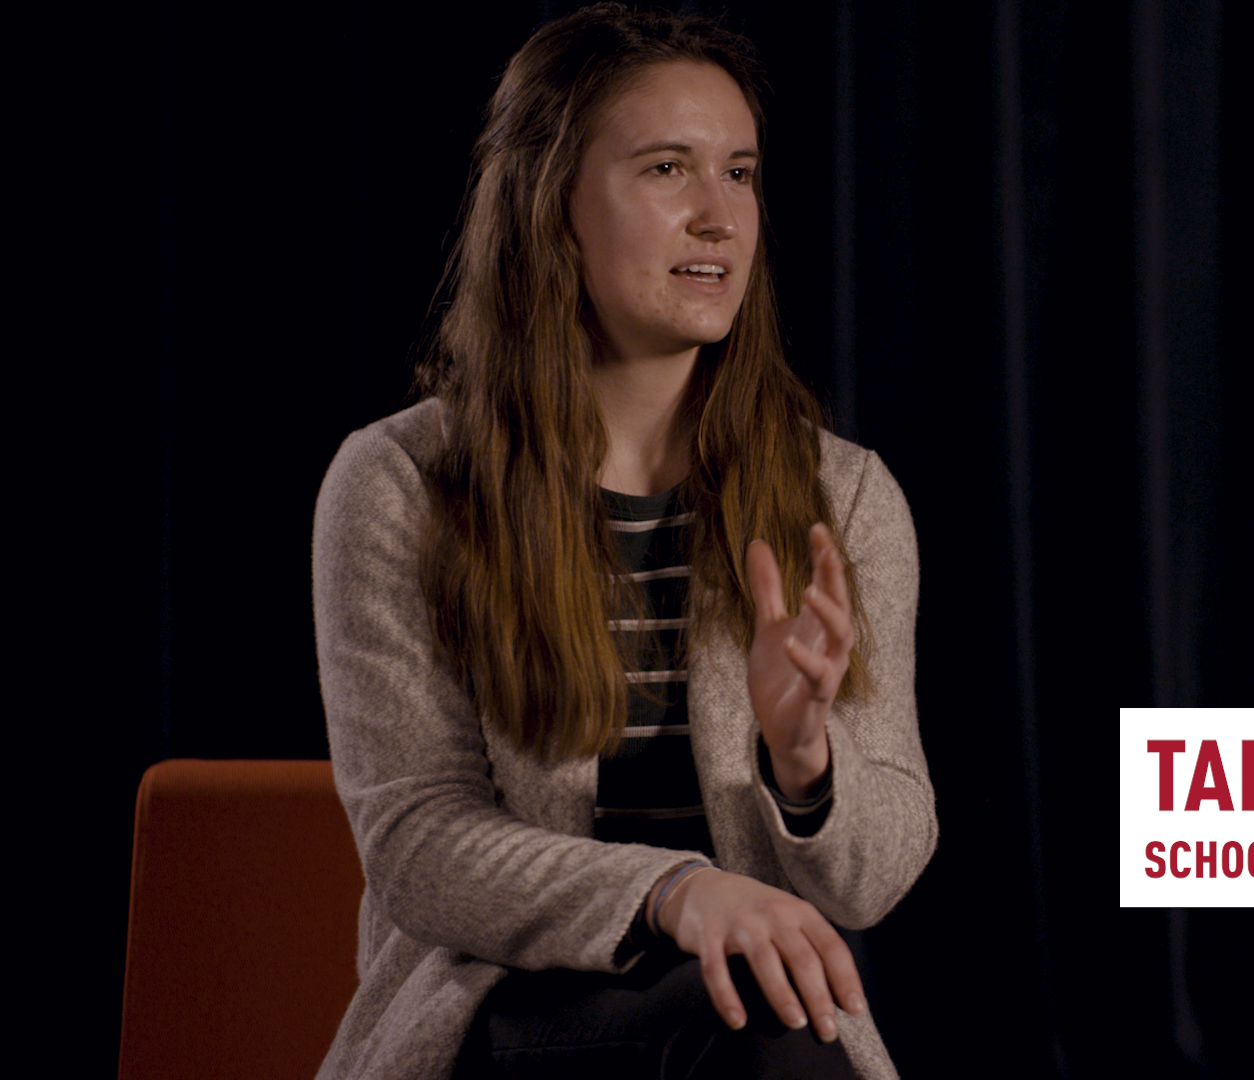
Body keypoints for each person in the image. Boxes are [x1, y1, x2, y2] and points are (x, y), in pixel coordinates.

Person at [310, 6, 936, 1078]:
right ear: (552, 205)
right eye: (667, 170)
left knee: (760, 1025)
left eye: (739, 174)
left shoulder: (843, 496)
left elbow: (873, 879)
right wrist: (674, 892)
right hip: (495, 1016)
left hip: (753, 1025)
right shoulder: (401, 484)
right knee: (747, 1030)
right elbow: (418, 844)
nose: (719, 218)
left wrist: (805, 764)